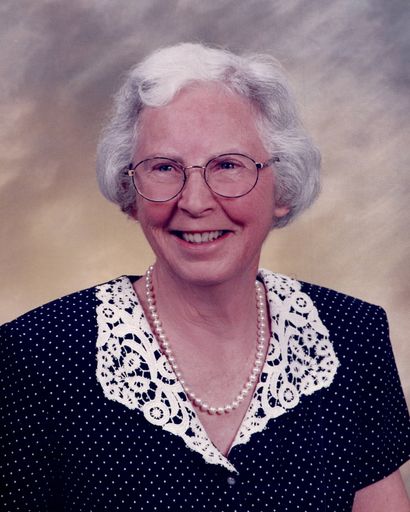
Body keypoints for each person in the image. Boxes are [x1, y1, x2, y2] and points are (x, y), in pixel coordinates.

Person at [1, 43, 409, 512]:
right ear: (130, 193)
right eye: (164, 168)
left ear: (282, 188)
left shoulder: (352, 337)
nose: (195, 202)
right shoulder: (35, 357)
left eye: (228, 165)